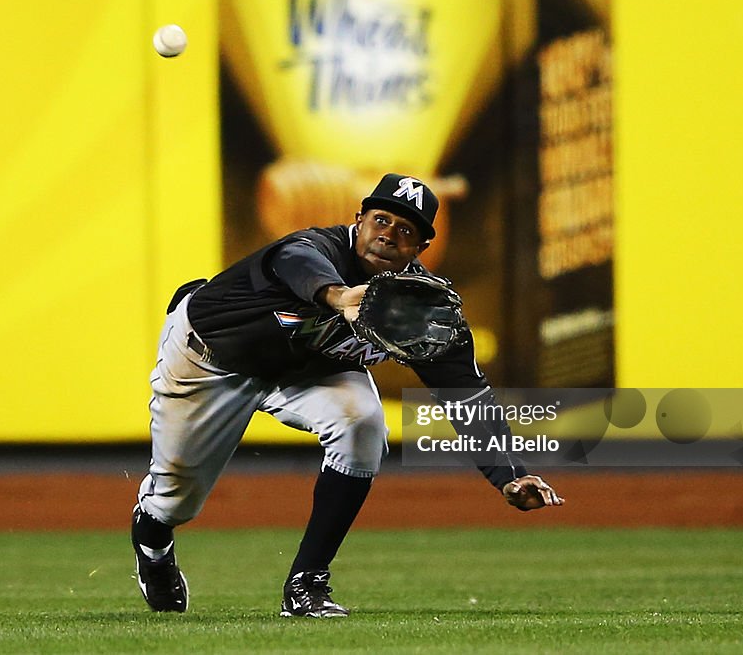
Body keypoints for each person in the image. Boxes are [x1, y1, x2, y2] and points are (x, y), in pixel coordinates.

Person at [131, 173, 564, 617]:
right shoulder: (315, 248)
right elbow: (296, 264)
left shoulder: (418, 308)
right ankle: (153, 541)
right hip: (211, 358)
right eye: (381, 219)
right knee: (174, 499)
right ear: (358, 220)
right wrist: (339, 297)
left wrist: (509, 474)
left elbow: (467, 396)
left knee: (362, 422)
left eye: (405, 230)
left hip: (308, 371)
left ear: (420, 249)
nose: (388, 235)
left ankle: (307, 583)